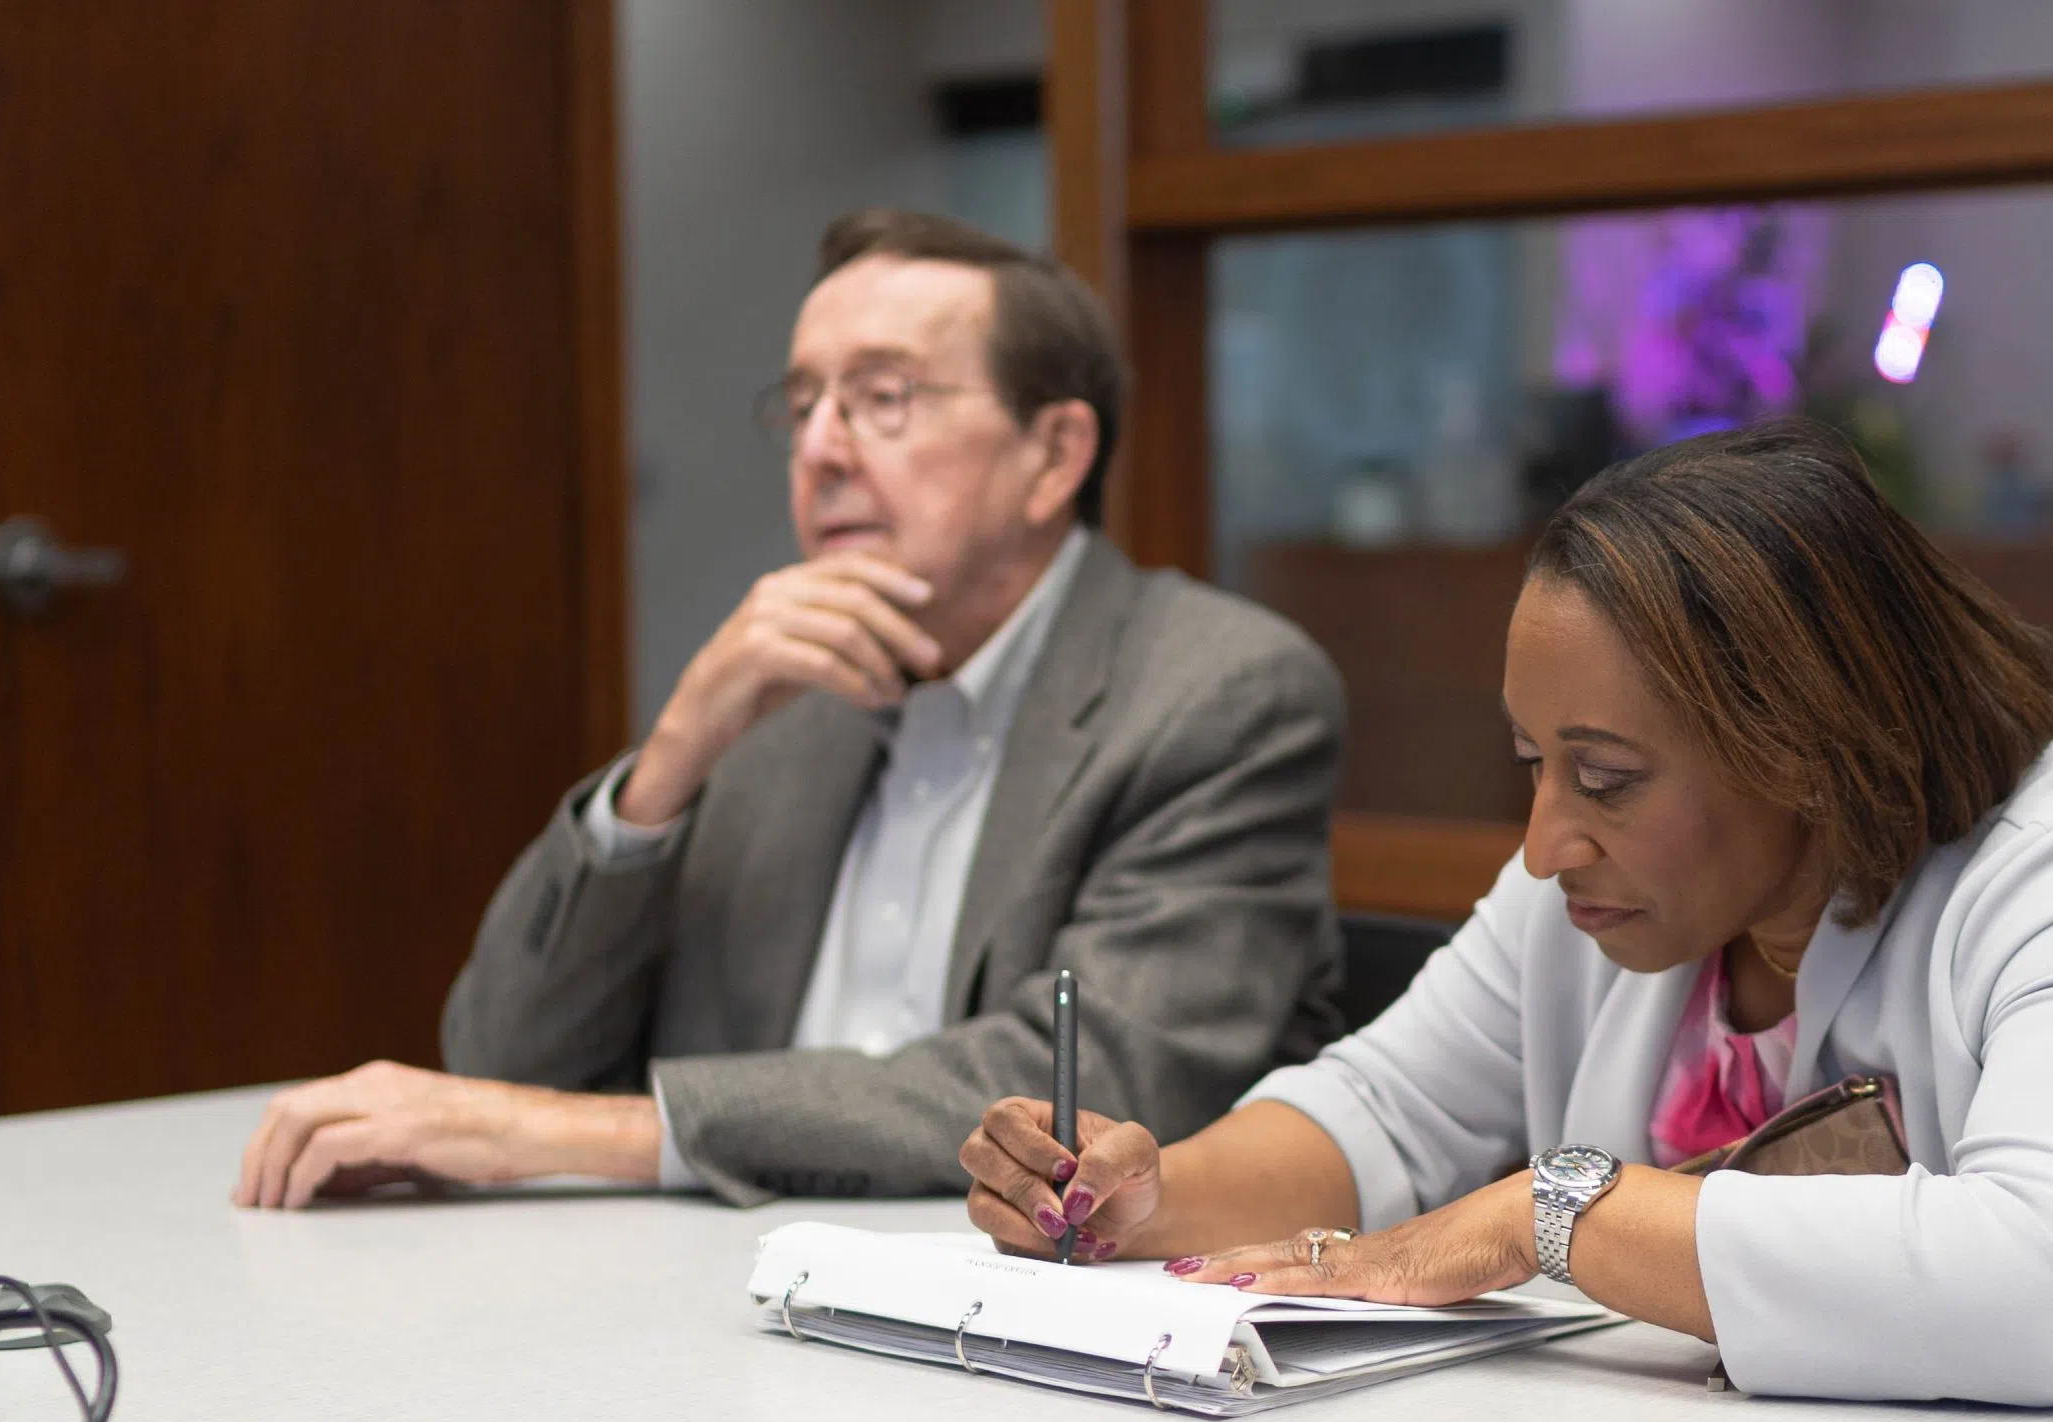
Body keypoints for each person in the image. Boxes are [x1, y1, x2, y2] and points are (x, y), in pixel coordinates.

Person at [957, 419, 2053, 1408]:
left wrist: (1554, 1213)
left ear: (1806, 743)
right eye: (1536, 765)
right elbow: (1382, 1112)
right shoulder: (1598, 898)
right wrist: (1145, 1194)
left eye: (1606, 777)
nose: (1545, 845)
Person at [234, 210, 1344, 1209]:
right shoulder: (780, 695)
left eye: (882, 398)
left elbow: (1077, 1095)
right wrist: (674, 752)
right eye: (804, 402)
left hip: (1029, 1330)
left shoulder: (1220, 692)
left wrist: (598, 1133)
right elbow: (501, 1061)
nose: (818, 449)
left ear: (1052, 455)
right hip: (708, 1305)